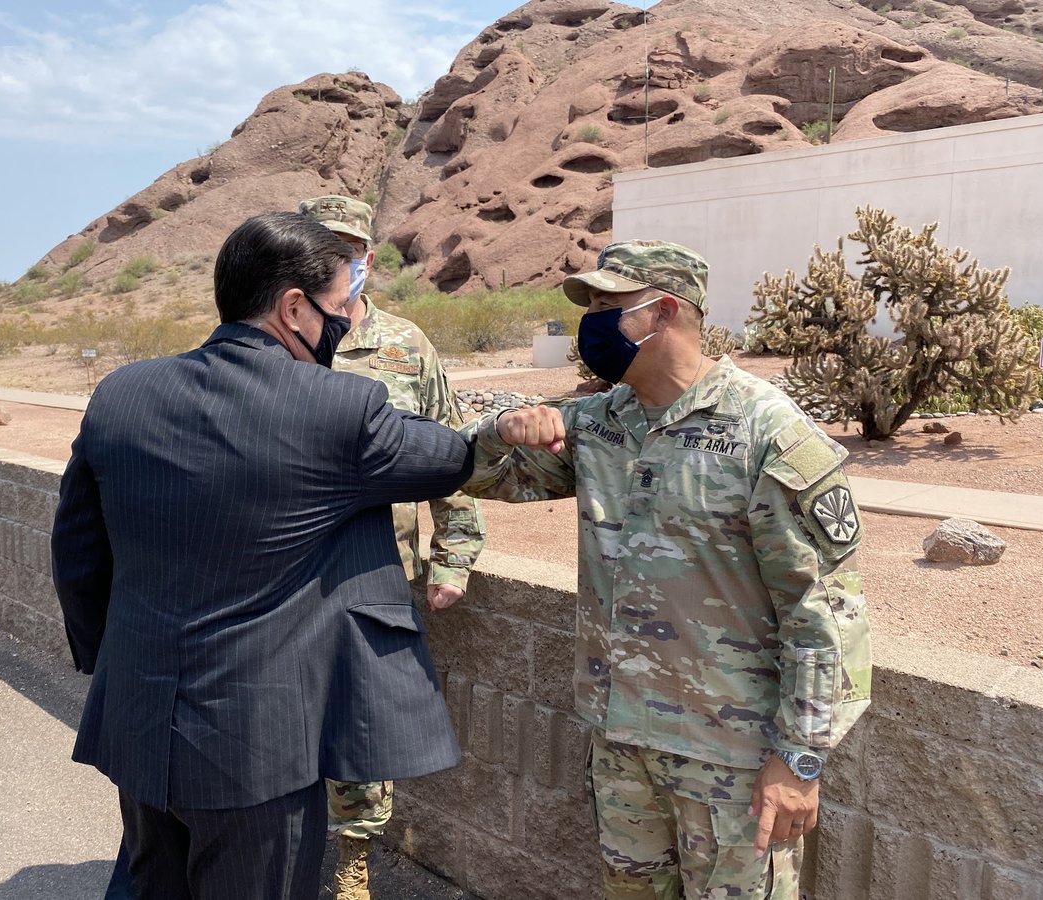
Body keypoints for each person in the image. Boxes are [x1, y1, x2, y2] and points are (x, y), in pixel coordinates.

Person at [53, 211, 472, 900]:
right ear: (294, 308)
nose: (345, 324)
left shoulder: (122, 394)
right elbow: (452, 456)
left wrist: (120, 661)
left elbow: (77, 553)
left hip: (138, 720)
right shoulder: (342, 410)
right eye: (340, 308)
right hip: (257, 750)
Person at [459, 241, 872, 899]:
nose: (590, 323)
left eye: (606, 306)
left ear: (664, 312)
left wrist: (798, 759)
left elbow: (825, 613)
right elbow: (483, 477)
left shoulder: (765, 431)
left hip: (730, 765)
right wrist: (502, 431)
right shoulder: (599, 423)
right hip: (623, 745)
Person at [299, 193, 486, 900]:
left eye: (347, 251)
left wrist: (456, 554)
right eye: (320, 248)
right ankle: (280, 849)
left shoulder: (405, 346)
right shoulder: (273, 339)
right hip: (285, 570)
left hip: (379, 571)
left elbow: (452, 450)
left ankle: (352, 855)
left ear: (368, 261)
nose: (336, 263)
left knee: (359, 723)